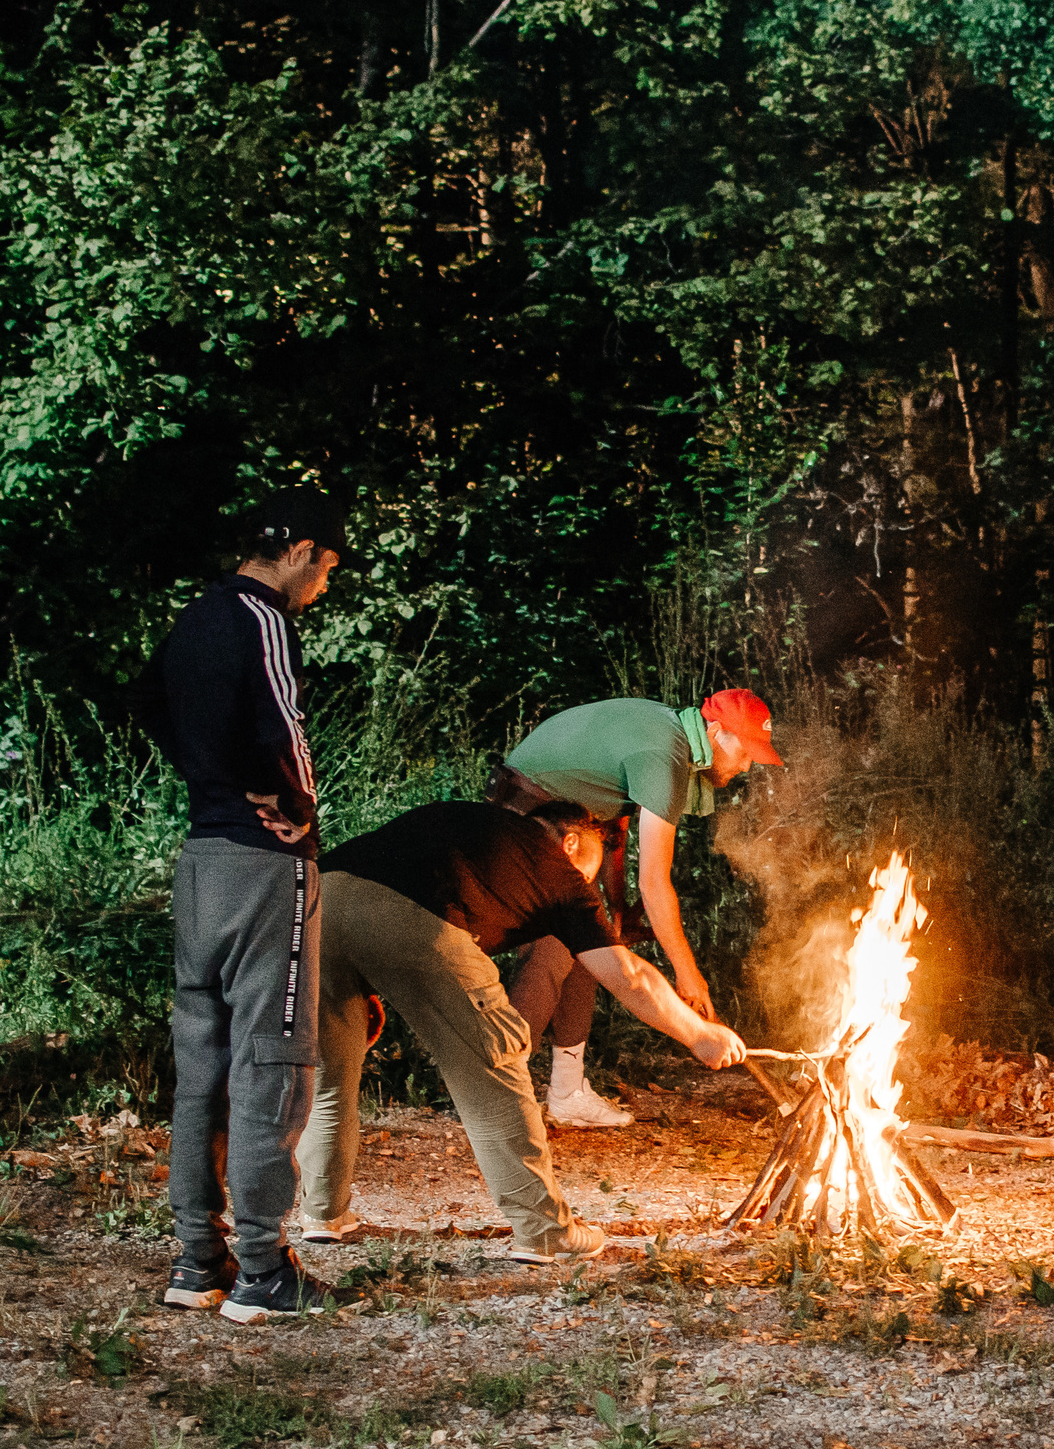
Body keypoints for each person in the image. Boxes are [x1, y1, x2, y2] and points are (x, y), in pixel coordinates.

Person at [295, 800, 748, 1260]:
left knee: (329, 1077)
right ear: (570, 842)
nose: (586, 884)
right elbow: (628, 976)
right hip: (418, 919)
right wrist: (699, 1034)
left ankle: (323, 1213)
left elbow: (376, 891)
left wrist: (366, 972)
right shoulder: (556, 868)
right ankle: (545, 1230)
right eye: (588, 871)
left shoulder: (474, 823)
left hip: (317, 904)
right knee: (494, 1063)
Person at [136, 487, 349, 1326]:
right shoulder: (262, 617)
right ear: (298, 551)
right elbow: (284, 724)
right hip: (264, 867)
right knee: (273, 1056)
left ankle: (198, 1259)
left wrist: (212, 781)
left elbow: (145, 699)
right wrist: (293, 806)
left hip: (201, 858)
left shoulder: (195, 616)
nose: (323, 584)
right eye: (326, 566)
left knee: (204, 1062)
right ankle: (263, 1267)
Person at [488, 691, 783, 1127]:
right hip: (528, 816)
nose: (747, 767)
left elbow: (613, 822)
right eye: (745, 753)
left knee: (593, 943)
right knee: (552, 952)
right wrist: (688, 974)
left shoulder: (672, 734)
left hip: (567, 822)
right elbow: (655, 883)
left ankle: (567, 1092)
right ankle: (494, 1098)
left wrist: (617, 906)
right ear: (716, 732)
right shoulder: (666, 754)